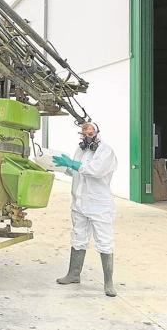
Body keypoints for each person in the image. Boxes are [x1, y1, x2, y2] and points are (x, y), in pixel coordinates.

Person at [52, 122, 118, 297]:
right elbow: (76, 172)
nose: (88, 135)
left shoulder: (106, 151)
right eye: (84, 132)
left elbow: (94, 171)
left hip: (99, 205)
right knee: (78, 237)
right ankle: (73, 274)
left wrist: (73, 164)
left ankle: (109, 283)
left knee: (104, 241)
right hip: (79, 203)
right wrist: (62, 165)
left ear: (97, 132)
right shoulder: (80, 150)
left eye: (91, 132)